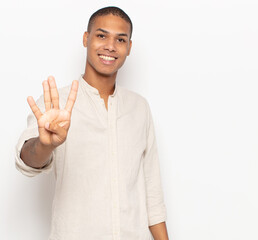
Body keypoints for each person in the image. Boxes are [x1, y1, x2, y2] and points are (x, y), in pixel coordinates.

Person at [15, 6, 169, 240]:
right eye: (101, 35)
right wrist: (46, 144)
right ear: (86, 39)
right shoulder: (58, 105)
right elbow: (28, 160)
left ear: (129, 47)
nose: (110, 46)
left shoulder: (140, 108)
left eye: (120, 39)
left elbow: (152, 193)